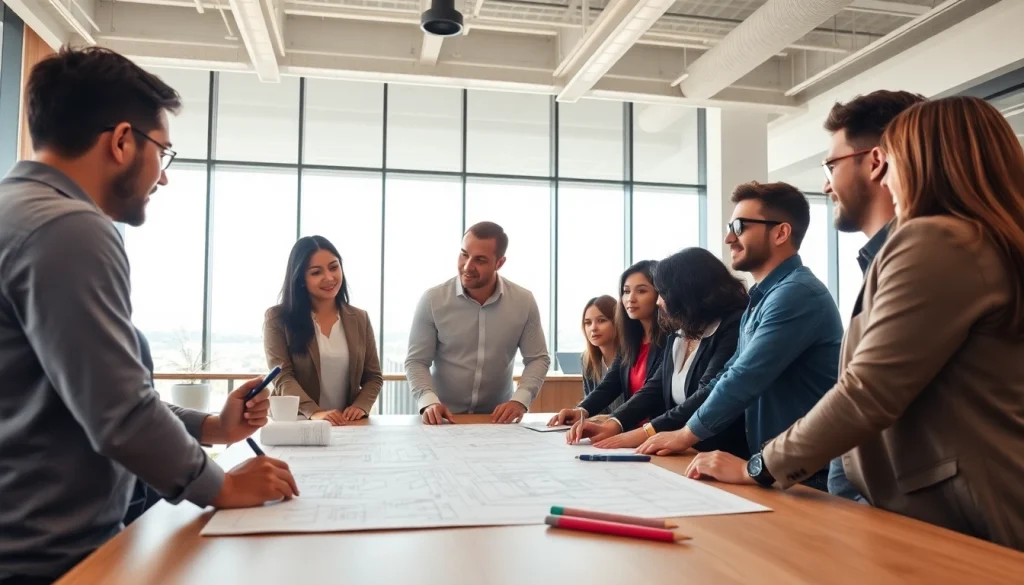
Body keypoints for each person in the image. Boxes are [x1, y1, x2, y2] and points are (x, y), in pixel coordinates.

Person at [0, 47, 297, 585]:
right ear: (120, 141)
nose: (164, 177)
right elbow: (119, 412)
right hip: (49, 561)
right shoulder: (68, 228)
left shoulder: (20, 212)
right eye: (163, 151)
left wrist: (211, 428)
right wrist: (223, 486)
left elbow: (89, 390)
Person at [683, 97, 1024, 551]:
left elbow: (867, 392)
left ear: (916, 160)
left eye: (892, 157)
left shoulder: (937, 240)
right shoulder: (967, 240)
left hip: (961, 515)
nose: (884, 170)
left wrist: (758, 467)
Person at [635, 181, 843, 493]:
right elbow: (726, 375)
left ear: (781, 233)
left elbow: (744, 378)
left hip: (808, 475)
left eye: (740, 226)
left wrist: (685, 435)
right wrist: (679, 432)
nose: (729, 237)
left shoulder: (796, 294)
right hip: (776, 468)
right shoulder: (762, 299)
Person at [821, 89, 926, 502]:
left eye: (831, 165)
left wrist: (760, 466)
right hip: (868, 501)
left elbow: (866, 392)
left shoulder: (922, 251)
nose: (825, 184)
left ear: (876, 160)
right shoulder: (879, 258)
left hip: (909, 508)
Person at [565, 248, 749, 458]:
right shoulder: (679, 332)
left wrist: (643, 432)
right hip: (683, 451)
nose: (659, 302)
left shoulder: (732, 326)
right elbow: (653, 387)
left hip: (724, 454)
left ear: (687, 291)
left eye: (663, 293)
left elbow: (707, 393)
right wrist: (615, 423)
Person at [406, 221, 551, 425]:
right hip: (444, 419)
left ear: (499, 263)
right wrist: (428, 402)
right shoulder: (432, 300)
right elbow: (417, 361)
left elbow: (537, 358)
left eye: (480, 260)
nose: (467, 266)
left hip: (497, 421)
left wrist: (520, 401)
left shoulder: (523, 301)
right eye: (464, 254)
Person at [264, 236, 383, 425]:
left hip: (344, 424)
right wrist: (315, 412)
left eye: (334, 267)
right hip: (296, 421)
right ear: (300, 278)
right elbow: (282, 376)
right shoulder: (277, 318)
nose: (329, 277)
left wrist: (360, 406)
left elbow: (373, 377)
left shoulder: (360, 318)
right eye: (316, 272)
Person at [548, 260, 667, 430]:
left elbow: (651, 393)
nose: (630, 299)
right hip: (630, 432)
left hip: (654, 433)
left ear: (660, 294)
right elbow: (610, 385)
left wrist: (613, 422)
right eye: (626, 292)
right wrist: (582, 410)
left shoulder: (670, 340)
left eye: (641, 291)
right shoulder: (631, 341)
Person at [579, 295, 620, 413]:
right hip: (602, 428)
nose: (593, 328)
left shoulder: (630, 357)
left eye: (601, 321)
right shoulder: (587, 360)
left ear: (617, 322)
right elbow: (591, 407)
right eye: (587, 323)